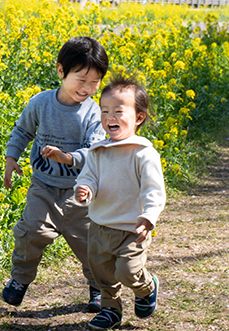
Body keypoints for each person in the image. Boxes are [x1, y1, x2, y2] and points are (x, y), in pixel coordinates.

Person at [2, 36, 109, 311]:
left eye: (95, 82)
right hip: (43, 186)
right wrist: (11, 158)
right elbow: (22, 131)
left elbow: (95, 151)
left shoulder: (94, 113)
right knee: (30, 233)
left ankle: (98, 287)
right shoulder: (41, 103)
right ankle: (19, 280)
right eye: (81, 79)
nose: (87, 88)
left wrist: (67, 157)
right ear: (61, 71)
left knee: (89, 244)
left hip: (80, 190)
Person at [75, 76, 166, 330]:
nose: (109, 116)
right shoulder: (98, 151)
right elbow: (89, 177)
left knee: (127, 270)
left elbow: (153, 190)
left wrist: (149, 216)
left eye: (118, 111)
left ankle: (146, 288)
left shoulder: (144, 153)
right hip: (100, 225)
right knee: (101, 272)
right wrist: (85, 189)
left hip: (131, 228)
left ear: (139, 117)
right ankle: (111, 309)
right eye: (104, 111)